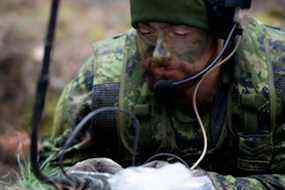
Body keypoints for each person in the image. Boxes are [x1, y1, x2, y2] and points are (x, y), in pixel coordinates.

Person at [43, 0, 285, 189]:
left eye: (180, 33)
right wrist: (89, 180)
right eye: (146, 31)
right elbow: (46, 174)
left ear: (220, 31)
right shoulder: (105, 81)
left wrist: (203, 187)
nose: (159, 54)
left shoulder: (277, 72)